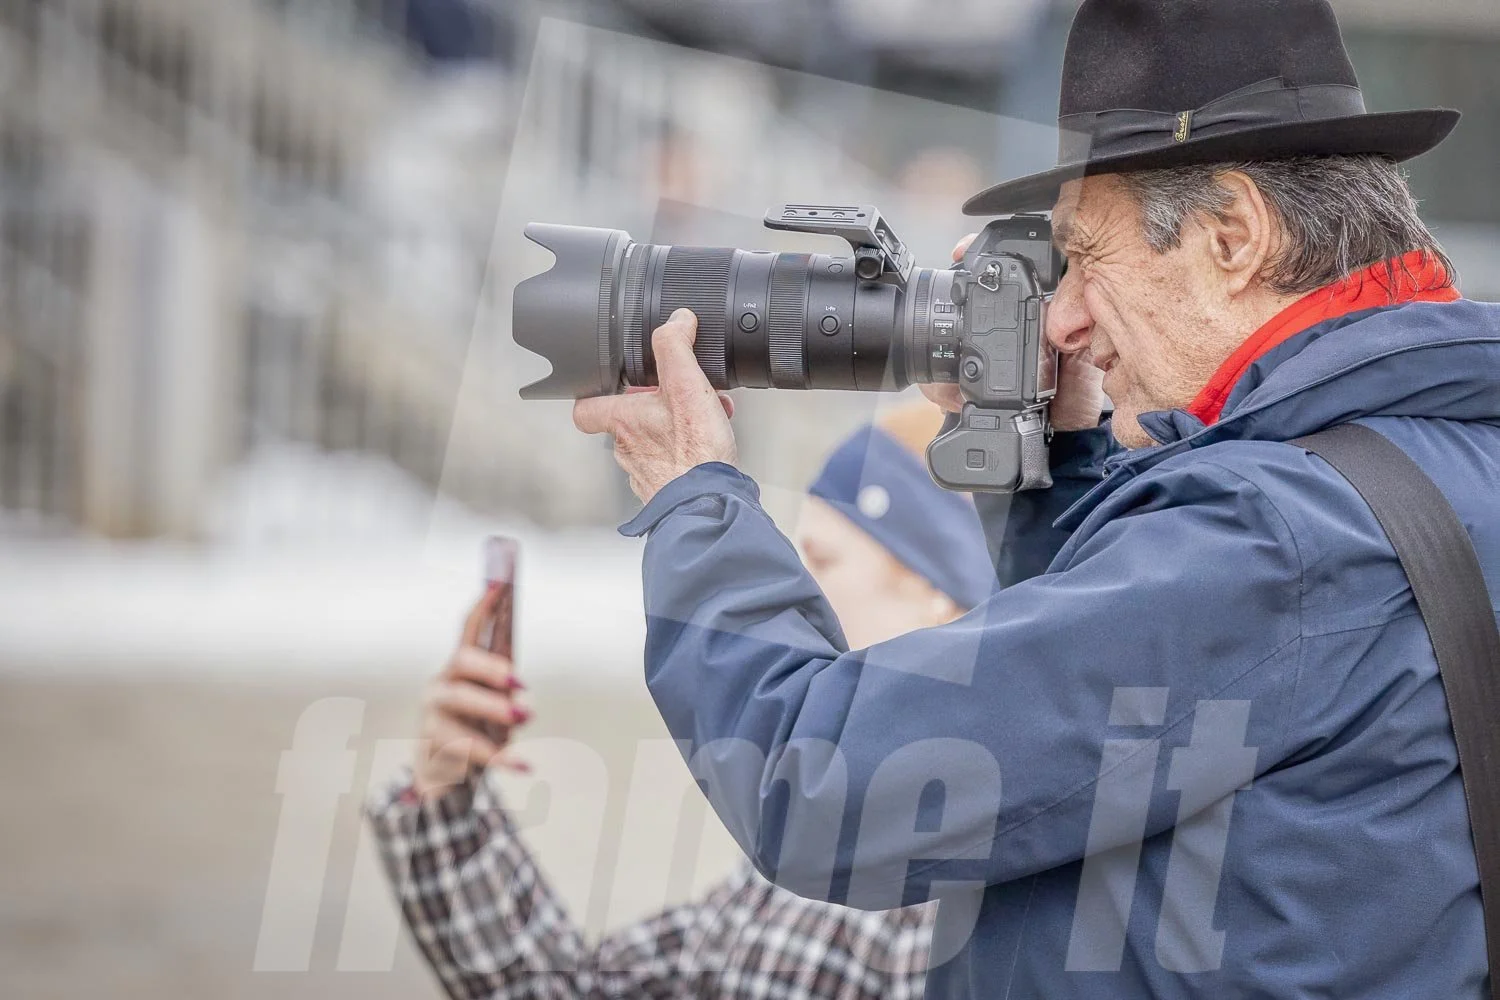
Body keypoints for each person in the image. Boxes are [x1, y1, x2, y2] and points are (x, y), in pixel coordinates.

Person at [569, 1, 1498, 996]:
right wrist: (1057, 461)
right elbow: (1168, 721)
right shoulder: (1443, 455)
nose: (1062, 317)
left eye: (1088, 259)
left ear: (1233, 234)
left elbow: (819, 781)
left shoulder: (1268, 541)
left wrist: (693, 495)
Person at [367, 401, 1022, 999]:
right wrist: (445, 796)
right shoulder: (832, 828)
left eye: (821, 559)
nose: (801, 592)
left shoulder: (951, 882)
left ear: (942, 592)